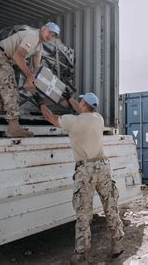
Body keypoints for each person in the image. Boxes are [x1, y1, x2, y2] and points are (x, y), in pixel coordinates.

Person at [38, 92, 124, 262]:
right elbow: (83, 111)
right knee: (111, 207)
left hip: (85, 171)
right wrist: (70, 99)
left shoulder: (72, 121)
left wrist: (40, 102)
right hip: (103, 167)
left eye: (81, 101)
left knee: (84, 213)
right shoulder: (98, 119)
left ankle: (82, 254)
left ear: (84, 102)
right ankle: (118, 245)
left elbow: (50, 117)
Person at [0, 22, 60, 137]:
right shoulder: (33, 36)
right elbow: (17, 56)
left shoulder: (39, 47)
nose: (50, 36)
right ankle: (14, 127)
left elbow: (36, 70)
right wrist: (29, 77)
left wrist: (43, 86)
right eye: (50, 32)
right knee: (11, 89)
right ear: (43, 28)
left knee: (1, 90)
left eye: (53, 35)